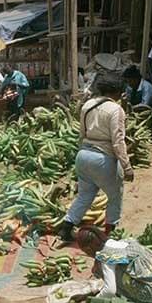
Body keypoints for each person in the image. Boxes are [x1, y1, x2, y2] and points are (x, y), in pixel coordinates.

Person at [57, 74, 133, 241]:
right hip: (103, 159)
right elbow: (118, 141)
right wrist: (126, 166)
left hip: (83, 155)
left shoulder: (88, 105)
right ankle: (110, 232)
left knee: (84, 195)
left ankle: (66, 229)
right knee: (115, 196)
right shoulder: (115, 110)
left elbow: (81, 133)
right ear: (117, 92)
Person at [70, 226, 152, 303]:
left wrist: (90, 302)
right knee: (116, 269)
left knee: (102, 270)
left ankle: (138, 300)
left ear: (89, 249)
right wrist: (90, 295)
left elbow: (110, 290)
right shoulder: (124, 242)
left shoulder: (106, 256)